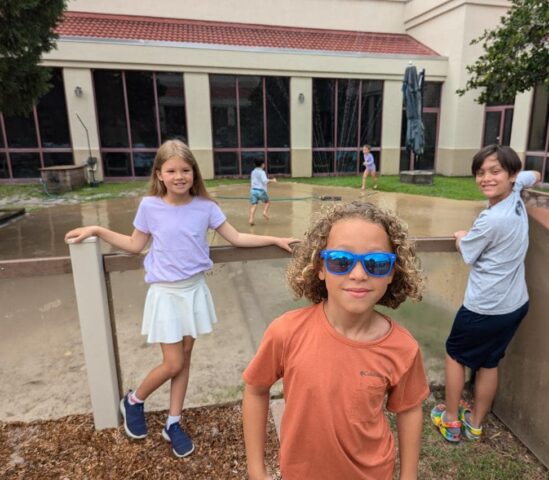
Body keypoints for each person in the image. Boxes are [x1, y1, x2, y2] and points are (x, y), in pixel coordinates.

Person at [64, 139, 297, 458]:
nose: (179, 176)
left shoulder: (206, 207)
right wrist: (97, 230)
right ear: (159, 174)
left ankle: (173, 422)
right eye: (171, 170)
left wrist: (276, 238)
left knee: (185, 357)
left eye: (185, 170)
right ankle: (134, 399)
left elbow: (237, 237)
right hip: (166, 294)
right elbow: (134, 245)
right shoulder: (149, 206)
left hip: (194, 291)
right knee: (173, 362)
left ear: (193, 172)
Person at [242, 201, 429, 480]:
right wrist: (257, 470)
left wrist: (409, 476)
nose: (358, 274)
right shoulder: (286, 332)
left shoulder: (403, 348)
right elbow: (255, 390)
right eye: (341, 261)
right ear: (320, 268)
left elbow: (410, 409)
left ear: (392, 272)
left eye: (376, 263)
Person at [431, 144, 541, 443]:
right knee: (489, 362)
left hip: (484, 307)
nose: (486, 178)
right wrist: (521, 177)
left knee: (455, 355)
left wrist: (460, 235)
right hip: (515, 304)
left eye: (495, 172)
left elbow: (467, 252)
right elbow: (537, 174)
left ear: (510, 174)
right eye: (480, 173)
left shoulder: (491, 220)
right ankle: (476, 424)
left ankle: (451, 420)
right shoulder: (517, 191)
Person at [249, 158, 277, 226]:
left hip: (253, 191)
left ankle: (251, 219)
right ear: (262, 165)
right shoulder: (262, 172)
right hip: (260, 191)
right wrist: (272, 180)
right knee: (267, 202)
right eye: (264, 163)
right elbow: (264, 181)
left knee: (254, 205)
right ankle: (264, 212)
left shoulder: (253, 171)